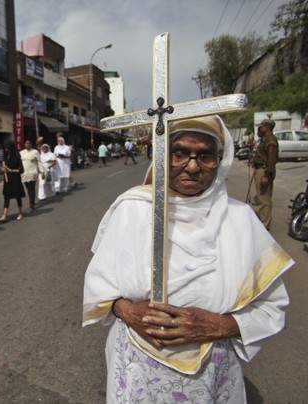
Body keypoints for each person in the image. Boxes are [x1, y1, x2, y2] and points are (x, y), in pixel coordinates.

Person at [83, 115, 293, 403]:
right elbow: (101, 288)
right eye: (179, 153)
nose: (193, 166)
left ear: (220, 160)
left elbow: (272, 308)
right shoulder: (132, 209)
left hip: (211, 372)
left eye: (205, 155)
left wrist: (220, 326)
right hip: (136, 370)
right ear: (161, 156)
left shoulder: (240, 219)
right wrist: (128, 311)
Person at [250, 118, 278, 230]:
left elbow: (271, 160)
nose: (259, 128)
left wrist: (266, 175)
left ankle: (264, 225)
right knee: (262, 197)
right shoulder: (265, 139)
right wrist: (254, 160)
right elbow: (263, 155)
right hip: (260, 169)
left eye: (261, 126)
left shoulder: (270, 140)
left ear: (267, 127)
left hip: (264, 170)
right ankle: (265, 221)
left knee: (264, 199)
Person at [0, 141, 25, 222]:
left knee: (17, 196)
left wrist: (10, 170)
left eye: (8, 148)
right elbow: (3, 167)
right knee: (6, 196)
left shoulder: (17, 157)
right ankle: (4, 215)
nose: (6, 150)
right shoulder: (5, 157)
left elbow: (21, 170)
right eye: (5, 149)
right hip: (7, 180)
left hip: (15, 179)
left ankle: (20, 212)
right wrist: (3, 169)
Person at [20, 139, 44, 210]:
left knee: (31, 187)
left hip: (33, 172)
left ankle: (32, 203)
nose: (28, 145)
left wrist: (42, 171)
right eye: (26, 143)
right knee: (28, 188)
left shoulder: (35, 152)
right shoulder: (21, 152)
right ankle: (31, 200)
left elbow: (39, 162)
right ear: (24, 145)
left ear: (31, 144)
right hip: (24, 173)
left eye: (29, 143)